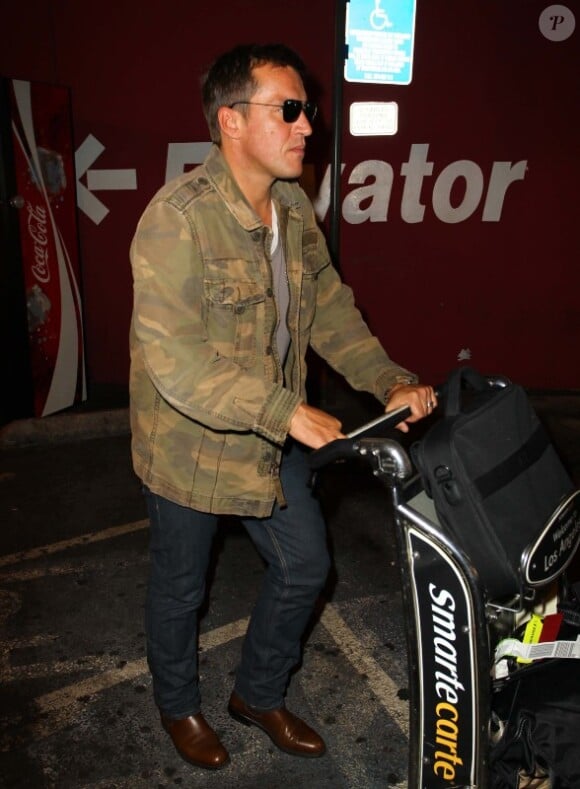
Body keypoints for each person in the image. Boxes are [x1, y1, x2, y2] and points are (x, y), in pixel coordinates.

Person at [129, 42, 437, 771]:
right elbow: (175, 359)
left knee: (305, 566)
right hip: (189, 444)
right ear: (231, 121)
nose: (307, 125)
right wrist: (286, 411)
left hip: (270, 436)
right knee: (180, 586)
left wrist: (386, 377)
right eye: (289, 110)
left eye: (308, 111)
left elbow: (329, 308)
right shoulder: (177, 219)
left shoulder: (294, 207)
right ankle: (179, 706)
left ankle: (257, 692)